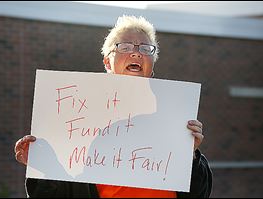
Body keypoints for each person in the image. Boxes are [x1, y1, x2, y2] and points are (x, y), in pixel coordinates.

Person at [14, 15, 212, 198]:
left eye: (145, 49)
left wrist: (191, 156)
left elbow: (199, 194)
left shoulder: (173, 116)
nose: (136, 53)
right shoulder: (74, 115)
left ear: (152, 65)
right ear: (107, 62)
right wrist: (42, 166)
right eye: (125, 47)